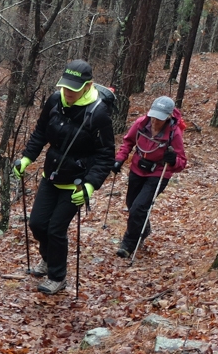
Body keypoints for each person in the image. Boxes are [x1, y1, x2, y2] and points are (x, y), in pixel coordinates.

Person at [13, 60, 115, 294]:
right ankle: (49, 259)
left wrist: (89, 186)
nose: (67, 93)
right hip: (52, 174)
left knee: (56, 229)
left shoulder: (98, 114)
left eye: (73, 89)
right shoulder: (55, 101)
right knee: (37, 224)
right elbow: (41, 131)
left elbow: (105, 155)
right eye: (65, 87)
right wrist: (27, 158)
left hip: (77, 183)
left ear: (87, 86)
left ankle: (57, 277)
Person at [112, 95, 188, 258]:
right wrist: (119, 159)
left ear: (168, 117)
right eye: (153, 116)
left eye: (159, 119)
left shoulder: (174, 134)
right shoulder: (141, 123)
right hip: (137, 168)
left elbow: (182, 162)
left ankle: (128, 244)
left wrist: (173, 160)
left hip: (158, 173)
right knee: (132, 205)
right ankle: (144, 229)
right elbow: (128, 142)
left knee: (139, 207)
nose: (155, 121)